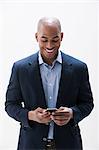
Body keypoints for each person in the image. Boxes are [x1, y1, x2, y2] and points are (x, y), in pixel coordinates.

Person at [5, 17, 94, 150]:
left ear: (61, 36)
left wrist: (72, 113)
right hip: (31, 145)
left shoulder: (79, 68)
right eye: (44, 39)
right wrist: (31, 115)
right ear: (36, 37)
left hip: (68, 145)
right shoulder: (20, 68)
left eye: (55, 40)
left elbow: (87, 103)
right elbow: (10, 105)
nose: (49, 45)